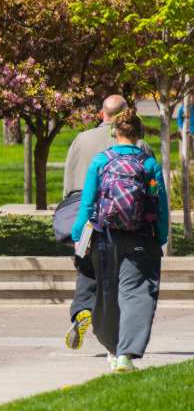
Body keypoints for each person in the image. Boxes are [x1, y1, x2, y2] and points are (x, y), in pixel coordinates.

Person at [69, 109, 168, 373]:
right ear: (139, 134)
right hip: (141, 238)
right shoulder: (149, 164)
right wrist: (162, 235)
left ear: (115, 132)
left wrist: (79, 236)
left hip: (105, 237)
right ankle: (126, 354)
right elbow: (160, 205)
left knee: (107, 293)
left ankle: (112, 350)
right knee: (136, 294)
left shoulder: (101, 161)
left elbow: (87, 204)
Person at [59, 95, 151, 351]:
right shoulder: (138, 144)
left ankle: (82, 309)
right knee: (122, 276)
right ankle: (114, 333)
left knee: (87, 268)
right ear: (126, 115)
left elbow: (69, 184)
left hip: (87, 216)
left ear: (102, 113)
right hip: (126, 223)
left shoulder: (82, 139)